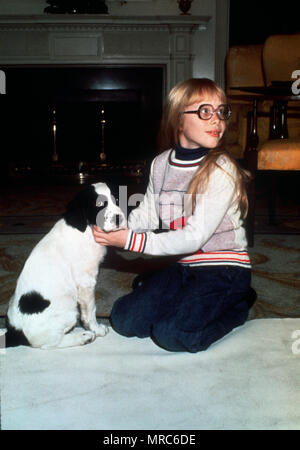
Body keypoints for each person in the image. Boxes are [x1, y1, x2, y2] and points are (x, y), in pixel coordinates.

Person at [92, 78, 256, 353]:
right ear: (179, 120)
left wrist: (129, 242)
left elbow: (194, 238)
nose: (217, 120)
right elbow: (147, 214)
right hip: (184, 265)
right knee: (123, 319)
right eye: (205, 111)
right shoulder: (159, 163)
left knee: (172, 334)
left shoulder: (221, 168)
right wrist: (114, 229)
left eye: (222, 111)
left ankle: (237, 305)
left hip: (224, 269)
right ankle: (177, 296)